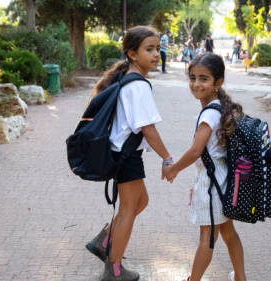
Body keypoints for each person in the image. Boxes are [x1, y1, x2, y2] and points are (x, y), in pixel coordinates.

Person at [85, 25, 174, 281]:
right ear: (133, 54)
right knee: (127, 212)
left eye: (157, 48)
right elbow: (147, 128)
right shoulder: (139, 85)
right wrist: (168, 158)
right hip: (127, 157)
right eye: (149, 49)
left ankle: (103, 241)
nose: (156, 53)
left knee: (140, 202)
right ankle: (113, 271)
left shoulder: (130, 80)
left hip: (121, 154)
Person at [162, 52, 247, 281]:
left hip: (212, 183)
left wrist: (173, 168)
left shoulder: (209, 113)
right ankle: (240, 277)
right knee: (228, 232)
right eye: (192, 77)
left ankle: (194, 280)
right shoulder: (219, 107)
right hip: (220, 178)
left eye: (203, 79)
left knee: (207, 237)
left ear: (218, 83)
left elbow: (195, 151)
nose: (196, 84)